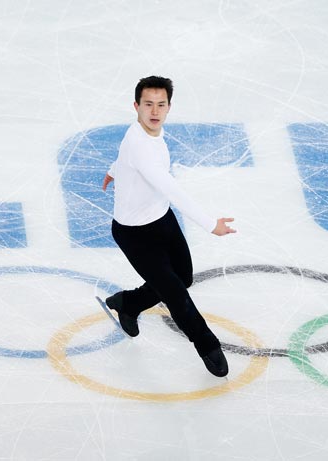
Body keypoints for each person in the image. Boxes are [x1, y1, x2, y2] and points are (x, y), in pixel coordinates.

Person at [101, 76, 236, 377]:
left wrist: (113, 171)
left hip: (161, 220)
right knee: (176, 294)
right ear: (136, 106)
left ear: (168, 107)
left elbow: (125, 157)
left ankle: (128, 302)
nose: (154, 111)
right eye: (148, 104)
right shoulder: (140, 146)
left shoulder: (144, 135)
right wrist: (210, 223)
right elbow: (171, 187)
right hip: (134, 234)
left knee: (183, 278)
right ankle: (207, 345)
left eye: (161, 105)